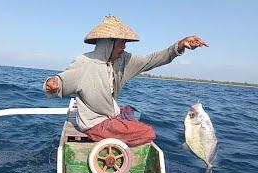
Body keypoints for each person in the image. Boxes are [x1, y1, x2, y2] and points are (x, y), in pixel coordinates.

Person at [43, 15, 208, 147]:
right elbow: (61, 82)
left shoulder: (123, 60)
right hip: (95, 124)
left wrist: (179, 46)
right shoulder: (85, 62)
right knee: (148, 132)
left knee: (132, 111)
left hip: (110, 115)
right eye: (121, 42)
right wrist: (52, 84)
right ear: (108, 43)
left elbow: (152, 60)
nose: (124, 47)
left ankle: (118, 129)